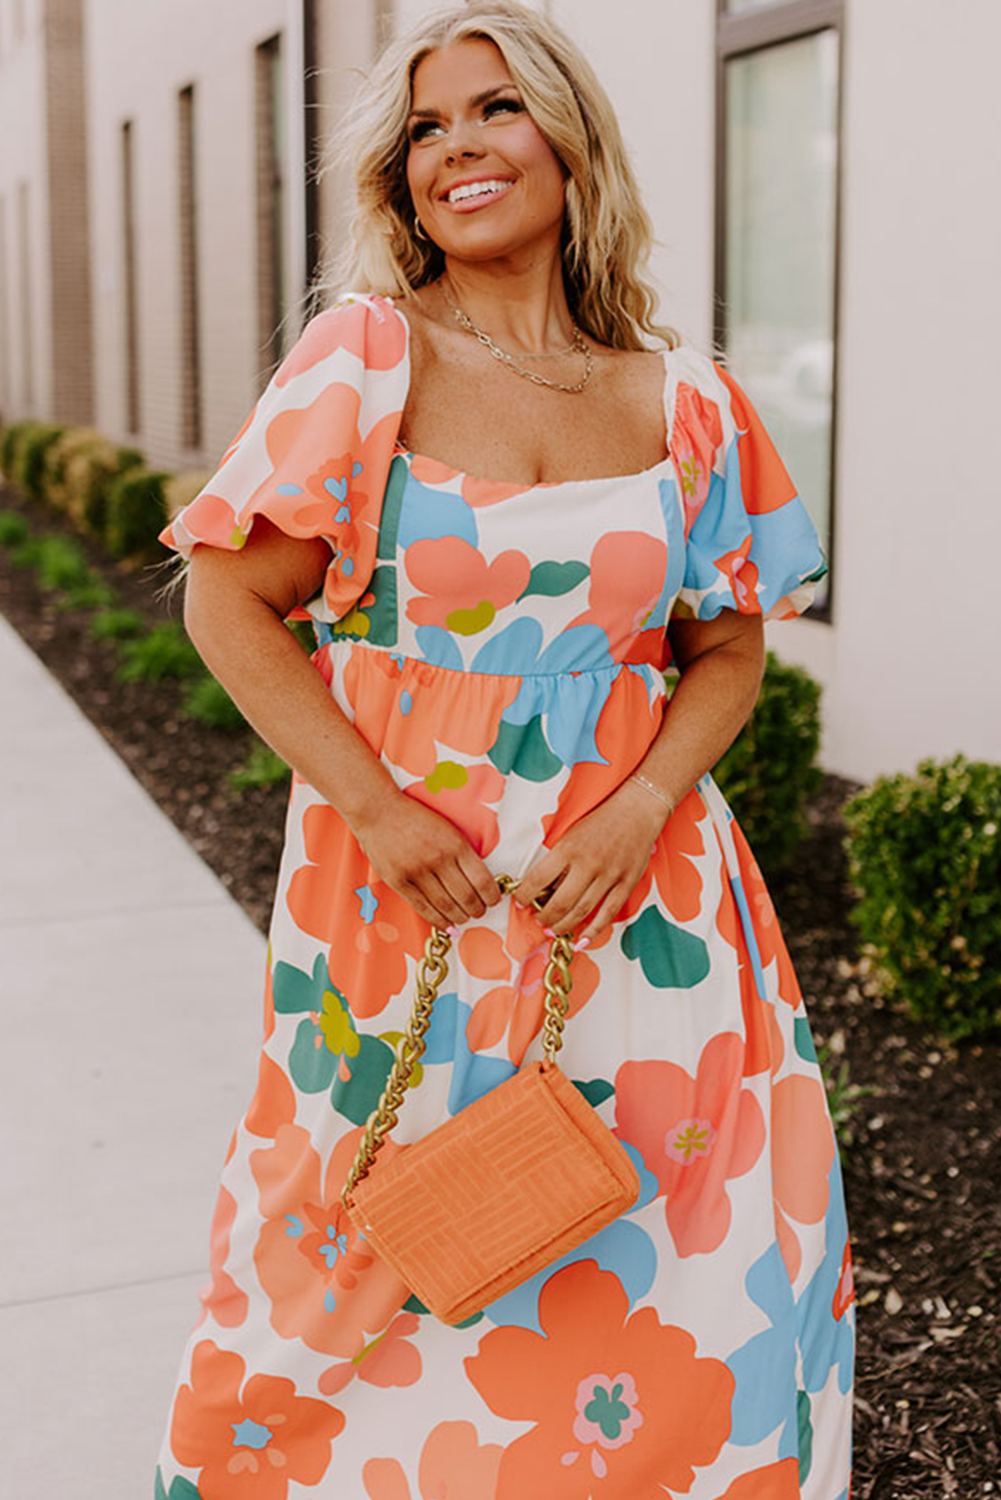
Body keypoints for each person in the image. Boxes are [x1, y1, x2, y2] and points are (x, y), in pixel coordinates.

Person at [154, 4, 854, 1496]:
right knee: (353, 1250)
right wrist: (376, 810)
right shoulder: (364, 358)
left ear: (569, 136)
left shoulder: (688, 400)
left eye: (494, 109)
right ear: (398, 179)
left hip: (647, 906)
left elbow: (725, 646)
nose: (457, 146)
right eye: (423, 128)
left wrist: (647, 798)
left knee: (684, 1248)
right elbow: (231, 603)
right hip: (405, 899)